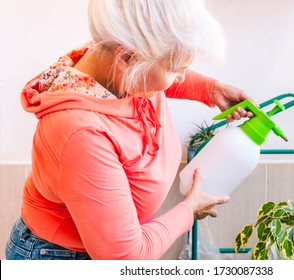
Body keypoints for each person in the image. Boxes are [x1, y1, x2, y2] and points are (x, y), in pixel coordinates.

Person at [6, 0, 253, 260]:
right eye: (175, 69)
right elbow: (125, 257)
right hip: (63, 256)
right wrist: (189, 210)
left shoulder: (114, 59)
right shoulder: (80, 133)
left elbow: (155, 72)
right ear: (128, 58)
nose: (181, 77)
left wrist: (210, 90)